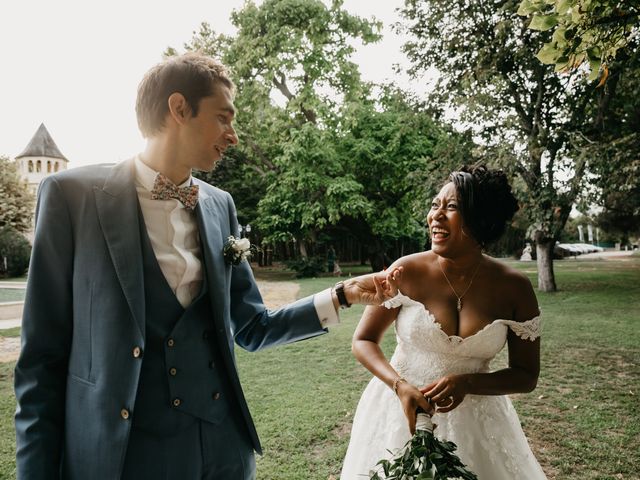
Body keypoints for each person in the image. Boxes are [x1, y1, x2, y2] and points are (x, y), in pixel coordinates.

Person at [14, 53, 387, 480]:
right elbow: (41, 360)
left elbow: (251, 327)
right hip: (122, 457)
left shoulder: (219, 205)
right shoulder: (71, 196)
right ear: (178, 108)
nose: (234, 136)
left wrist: (342, 295)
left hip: (223, 454)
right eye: (224, 118)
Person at [341, 165, 547, 479]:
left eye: (451, 207)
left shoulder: (514, 288)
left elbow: (526, 375)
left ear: (482, 220)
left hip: (479, 424)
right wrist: (400, 386)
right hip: (400, 409)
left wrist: (469, 383)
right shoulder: (406, 271)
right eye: (435, 205)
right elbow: (363, 340)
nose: (436, 215)